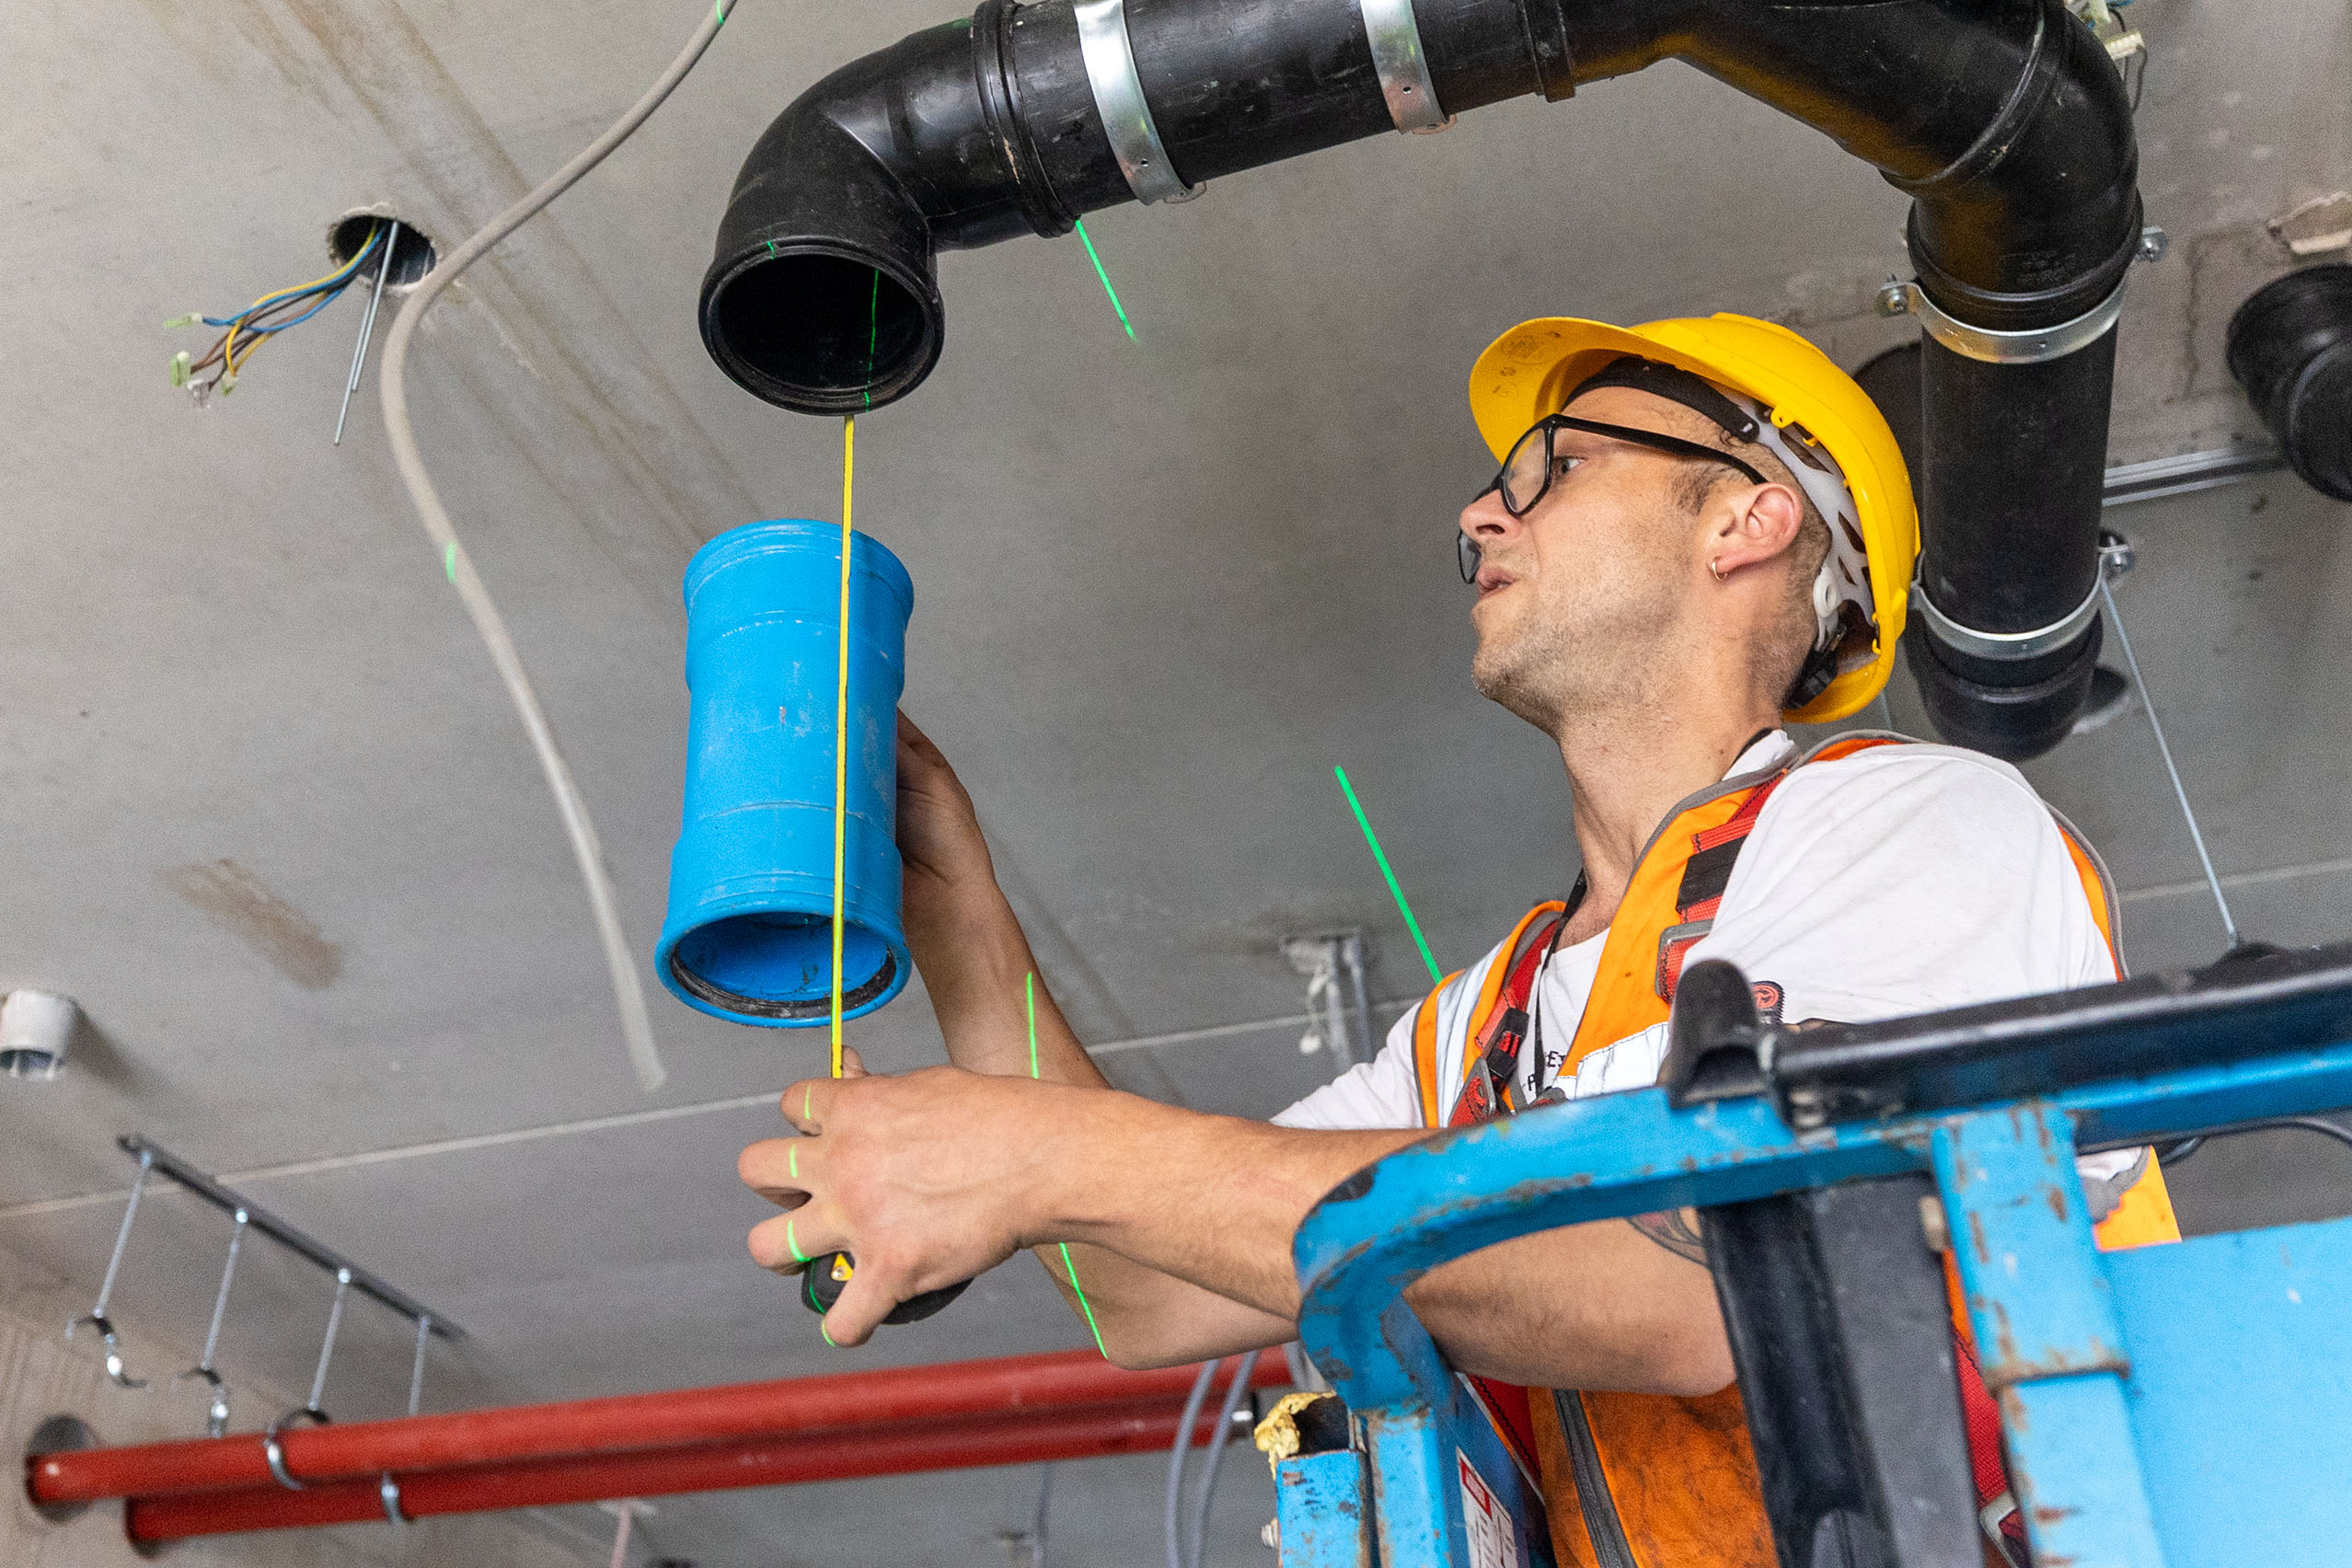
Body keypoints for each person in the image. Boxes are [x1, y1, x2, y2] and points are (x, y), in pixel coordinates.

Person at [735, 313, 2175, 1567]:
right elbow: (1143, 1285)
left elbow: (1696, 1293)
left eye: (1556, 465)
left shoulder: (1917, 822)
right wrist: (958, 909)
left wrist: (1038, 1153)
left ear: (1747, 518)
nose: (1482, 515)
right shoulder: (1485, 1022)